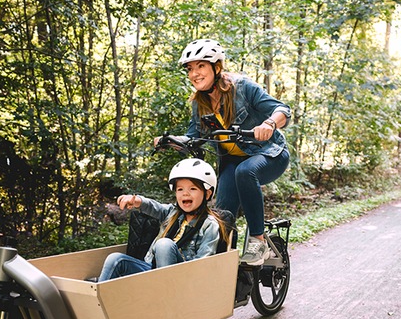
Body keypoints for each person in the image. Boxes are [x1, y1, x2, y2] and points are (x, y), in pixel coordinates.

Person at [175, 38, 292, 266]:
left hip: (270, 154)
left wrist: (269, 124)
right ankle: (223, 265)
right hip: (232, 161)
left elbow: (283, 110)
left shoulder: (243, 88)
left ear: (216, 67)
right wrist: (170, 140)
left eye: (201, 66)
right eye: (190, 68)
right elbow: (192, 135)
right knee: (221, 218)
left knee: (245, 172)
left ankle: (258, 240)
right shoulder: (200, 103)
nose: (194, 73)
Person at [98, 158, 230, 282]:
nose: (185, 193)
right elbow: (154, 207)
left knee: (164, 245)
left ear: (207, 194)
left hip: (182, 279)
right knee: (115, 259)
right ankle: (97, 298)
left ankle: (162, 293)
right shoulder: (172, 213)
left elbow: (203, 262)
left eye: (193, 188)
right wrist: (137, 200)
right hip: (152, 270)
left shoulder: (209, 225)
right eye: (180, 189)